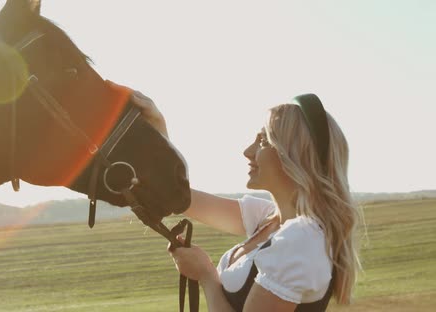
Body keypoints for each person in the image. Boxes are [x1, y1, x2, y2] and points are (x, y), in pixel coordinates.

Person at [129, 90, 363, 311]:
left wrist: (206, 276)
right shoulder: (268, 219)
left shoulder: (301, 240)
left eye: (262, 141)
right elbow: (179, 197)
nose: (247, 151)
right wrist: (158, 128)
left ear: (293, 154)